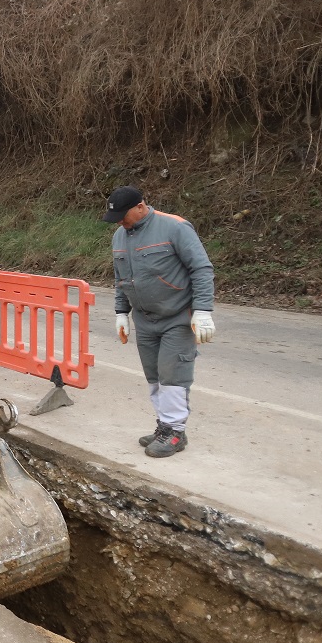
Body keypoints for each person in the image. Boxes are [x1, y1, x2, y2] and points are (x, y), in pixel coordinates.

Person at [102, 185, 216, 458]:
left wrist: (202, 310)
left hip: (177, 316)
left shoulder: (175, 227)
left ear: (140, 207)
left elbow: (201, 268)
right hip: (145, 319)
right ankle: (164, 426)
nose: (119, 222)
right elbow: (121, 278)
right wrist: (121, 313)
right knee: (154, 376)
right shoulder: (120, 236)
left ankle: (175, 432)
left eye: (123, 216)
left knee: (173, 375)